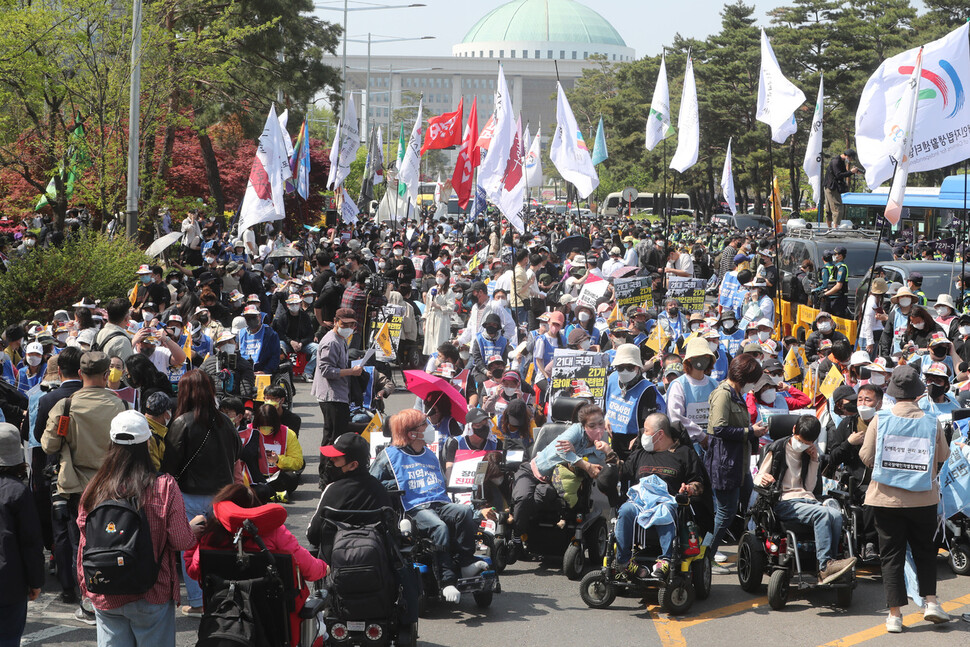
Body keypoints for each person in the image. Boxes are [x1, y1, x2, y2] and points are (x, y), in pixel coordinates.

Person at [76, 411, 205, 646]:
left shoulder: (95, 488)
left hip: (106, 590)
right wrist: (192, 529)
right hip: (151, 590)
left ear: (112, 444)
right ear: (147, 442)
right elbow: (180, 541)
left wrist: (86, 587)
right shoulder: (163, 486)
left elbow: (84, 540)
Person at [859, 365, 951, 632]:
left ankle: (895, 616)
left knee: (891, 556)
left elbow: (865, 457)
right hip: (923, 499)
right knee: (925, 551)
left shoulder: (880, 419)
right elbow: (943, 456)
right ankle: (931, 602)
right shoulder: (931, 421)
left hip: (886, 499)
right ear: (918, 393)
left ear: (893, 393)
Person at [41, 351, 128, 623]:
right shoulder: (121, 407)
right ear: (106, 376)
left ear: (80, 374)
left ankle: (89, 601)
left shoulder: (66, 407)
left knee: (81, 544)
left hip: (77, 485)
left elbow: (49, 445)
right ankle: (115, 594)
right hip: (112, 485)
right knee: (114, 540)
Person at [370, 409, 488, 604]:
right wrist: (396, 485)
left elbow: (439, 481)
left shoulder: (429, 453)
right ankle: (447, 581)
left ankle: (467, 562)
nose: (430, 428)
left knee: (465, 512)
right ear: (411, 433)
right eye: (424, 425)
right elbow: (372, 484)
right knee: (439, 527)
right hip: (414, 507)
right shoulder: (389, 455)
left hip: (439, 501)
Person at [186, 485, 326, 647]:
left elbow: (192, 570)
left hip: (226, 621)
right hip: (279, 627)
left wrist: (192, 539)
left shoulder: (211, 536)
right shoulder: (276, 534)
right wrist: (325, 567)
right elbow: (312, 571)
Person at [159, 370, 241, 616]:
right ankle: (225, 597)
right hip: (223, 496)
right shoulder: (225, 422)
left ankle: (197, 601)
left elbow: (170, 464)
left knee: (190, 549)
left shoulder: (181, 422)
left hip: (190, 495)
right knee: (221, 546)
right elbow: (237, 453)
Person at [755, 415, 858, 585]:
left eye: (807, 442)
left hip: (806, 500)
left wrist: (814, 460)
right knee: (823, 514)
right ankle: (825, 566)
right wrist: (764, 478)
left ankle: (831, 563)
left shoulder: (810, 453)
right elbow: (758, 478)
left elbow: (809, 488)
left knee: (836, 515)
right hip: (783, 501)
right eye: (800, 440)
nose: (802, 445)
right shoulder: (777, 448)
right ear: (794, 430)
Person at [609, 413, 705, 578]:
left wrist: (689, 488)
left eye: (646, 431)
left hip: (667, 502)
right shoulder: (641, 453)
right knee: (625, 510)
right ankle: (624, 561)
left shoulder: (684, 454)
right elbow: (623, 471)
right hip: (640, 502)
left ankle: (666, 560)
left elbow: (699, 485)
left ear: (659, 434)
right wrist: (608, 455)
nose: (642, 435)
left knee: (663, 511)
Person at [510, 403, 612, 549]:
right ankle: (517, 536)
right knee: (523, 497)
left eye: (601, 423)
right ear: (584, 426)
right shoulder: (576, 430)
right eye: (592, 425)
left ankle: (526, 524)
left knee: (544, 494)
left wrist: (576, 454)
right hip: (533, 471)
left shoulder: (603, 444)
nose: (598, 429)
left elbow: (593, 470)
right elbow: (562, 450)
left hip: (556, 482)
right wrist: (584, 462)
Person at [706, 353, 767, 571]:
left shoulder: (737, 393)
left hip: (739, 464)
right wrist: (750, 430)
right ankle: (706, 557)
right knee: (725, 513)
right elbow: (719, 429)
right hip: (725, 463)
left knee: (753, 505)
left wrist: (754, 431)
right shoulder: (723, 394)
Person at [0, 423, 44, 647]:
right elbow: (30, 543)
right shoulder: (18, 491)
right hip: (9, 583)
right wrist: (36, 581)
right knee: (8, 638)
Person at [311, 308, 363, 486]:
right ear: (335, 321)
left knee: (334, 435)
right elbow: (326, 370)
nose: (348, 328)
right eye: (344, 324)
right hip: (331, 395)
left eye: (351, 325)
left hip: (338, 394)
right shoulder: (331, 342)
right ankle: (326, 476)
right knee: (333, 438)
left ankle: (329, 474)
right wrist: (351, 371)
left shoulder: (341, 339)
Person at [604, 344, 666, 460]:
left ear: (638, 367)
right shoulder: (612, 378)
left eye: (630, 367)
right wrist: (607, 417)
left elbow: (649, 421)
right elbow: (607, 401)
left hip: (635, 443)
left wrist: (640, 437)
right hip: (613, 438)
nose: (625, 371)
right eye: (620, 368)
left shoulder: (647, 389)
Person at [666, 338, 719, 451]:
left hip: (712, 444)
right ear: (689, 360)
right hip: (687, 447)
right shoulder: (679, 385)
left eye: (705, 357)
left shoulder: (714, 384)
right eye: (697, 356)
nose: (702, 360)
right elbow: (676, 418)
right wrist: (701, 436)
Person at [237, 304, 281, 374]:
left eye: (253, 317)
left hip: (263, 370)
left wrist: (265, 371)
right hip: (244, 370)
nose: (251, 320)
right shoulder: (241, 334)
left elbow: (275, 356)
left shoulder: (270, 334)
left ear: (259, 317)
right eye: (248, 318)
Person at [823, 149, 861, 228]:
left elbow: (844, 173)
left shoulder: (841, 161)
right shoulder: (836, 161)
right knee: (838, 208)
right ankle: (834, 228)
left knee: (830, 210)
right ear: (847, 156)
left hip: (830, 187)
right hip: (832, 187)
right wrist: (851, 172)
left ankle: (830, 229)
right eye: (851, 158)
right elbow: (839, 175)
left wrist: (854, 172)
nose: (850, 160)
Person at [822, 246, 850, 319]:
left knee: (837, 322)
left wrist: (825, 294)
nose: (833, 256)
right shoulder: (835, 267)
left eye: (835, 254)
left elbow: (838, 286)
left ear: (840, 256)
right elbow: (832, 283)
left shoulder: (842, 268)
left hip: (838, 300)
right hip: (832, 298)